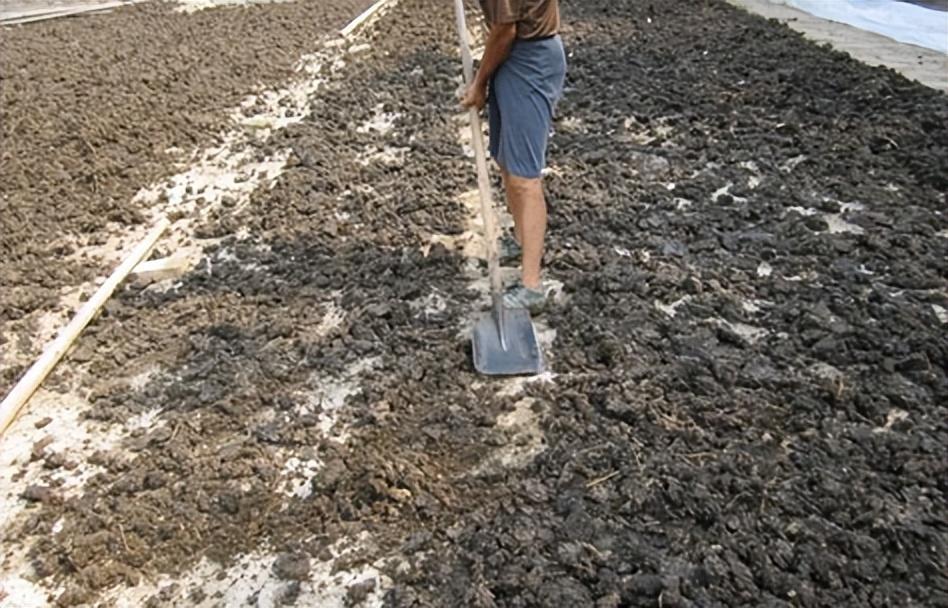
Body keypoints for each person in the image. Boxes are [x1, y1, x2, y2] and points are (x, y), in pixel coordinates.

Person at [461, 0, 566, 313]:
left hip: (530, 58)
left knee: (523, 176)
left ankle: (531, 285)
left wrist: (479, 82)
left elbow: (506, 30)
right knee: (508, 160)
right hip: (515, 55)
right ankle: (520, 239)